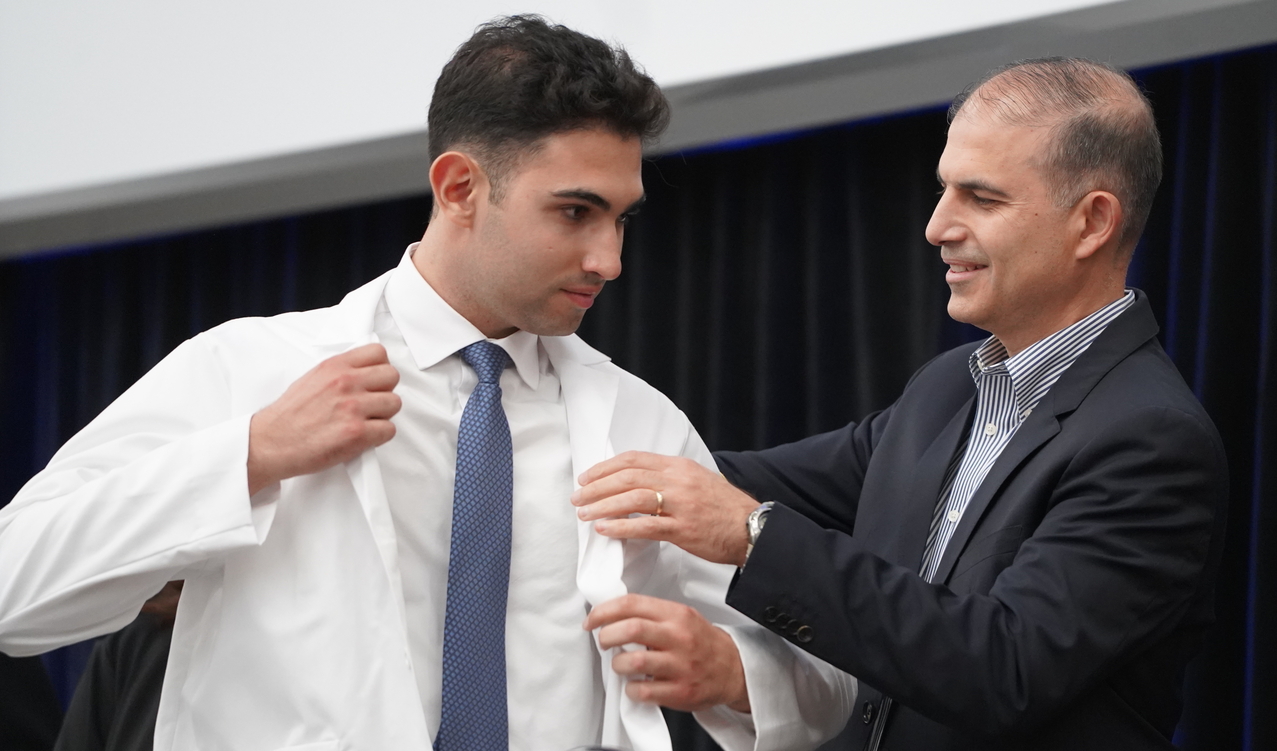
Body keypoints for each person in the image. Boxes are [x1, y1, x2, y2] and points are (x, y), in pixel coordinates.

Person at [0, 16, 852, 751]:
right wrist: (250, 454)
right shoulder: (251, 370)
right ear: (459, 188)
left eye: (621, 218)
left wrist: (732, 673)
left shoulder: (637, 420)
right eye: (574, 211)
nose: (609, 259)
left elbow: (823, 685)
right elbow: (15, 588)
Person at [574, 57, 1228, 749]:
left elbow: (1001, 666)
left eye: (980, 197)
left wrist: (753, 535)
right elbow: (718, 478)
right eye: (943, 190)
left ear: (1091, 222)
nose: (936, 226)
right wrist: (545, 454)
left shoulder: (1151, 439)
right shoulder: (946, 388)